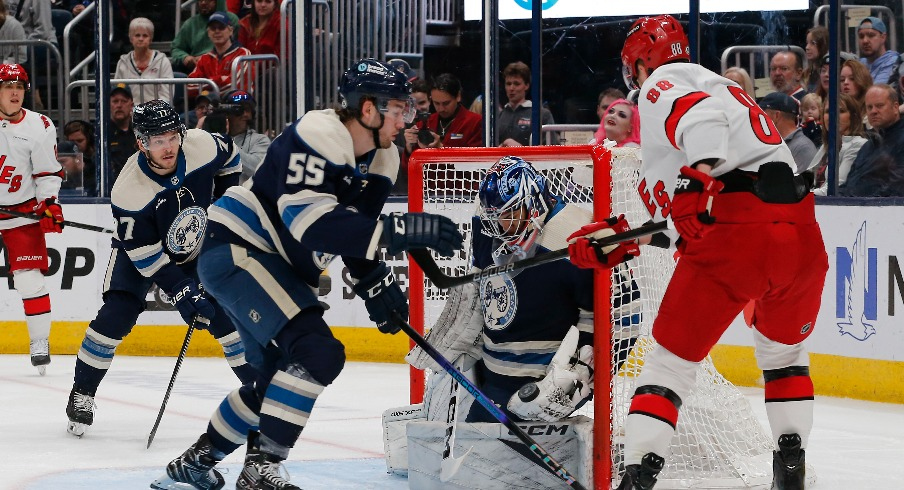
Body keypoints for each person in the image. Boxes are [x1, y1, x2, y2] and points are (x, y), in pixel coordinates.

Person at [150, 58, 463, 490]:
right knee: (318, 352)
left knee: (275, 383)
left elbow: (354, 232)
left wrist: (377, 286)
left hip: (269, 263)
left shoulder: (384, 158)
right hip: (238, 248)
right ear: (367, 109)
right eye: (397, 107)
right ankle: (262, 469)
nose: (407, 117)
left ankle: (197, 461)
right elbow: (310, 224)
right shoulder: (318, 134)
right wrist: (403, 230)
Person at [568, 15, 828, 489]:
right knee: (785, 355)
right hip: (800, 236)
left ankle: (638, 478)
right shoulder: (728, 92)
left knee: (668, 365)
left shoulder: (666, 81)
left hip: (736, 240)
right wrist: (624, 239)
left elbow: (702, 136)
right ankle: (791, 466)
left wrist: (695, 179)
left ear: (640, 63)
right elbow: (690, 220)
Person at [65, 99, 257, 438]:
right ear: (141, 143)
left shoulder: (200, 144)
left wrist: (225, 203)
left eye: (171, 136)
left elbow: (230, 157)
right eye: (157, 140)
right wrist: (182, 290)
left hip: (197, 243)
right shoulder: (128, 189)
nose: (168, 147)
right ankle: (83, 391)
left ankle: (261, 393)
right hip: (141, 252)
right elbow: (147, 257)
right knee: (117, 315)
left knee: (224, 314)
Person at [0, 63, 63, 376]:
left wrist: (49, 204)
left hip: (20, 212)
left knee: (29, 279)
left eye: (20, 86)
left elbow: (47, 172)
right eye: (8, 86)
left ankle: (39, 341)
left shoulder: (39, 125)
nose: (15, 92)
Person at [839, 84, 904, 197]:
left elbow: (897, 187)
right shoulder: (868, 146)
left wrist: (860, 203)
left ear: (895, 107)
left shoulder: (901, 140)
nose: (873, 111)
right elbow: (850, 184)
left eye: (879, 106)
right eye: (869, 107)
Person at [403, 73, 482, 154]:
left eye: (446, 103)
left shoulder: (475, 122)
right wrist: (409, 147)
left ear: (458, 96)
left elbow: (475, 160)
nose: (441, 109)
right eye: (436, 103)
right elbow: (408, 164)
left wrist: (441, 148)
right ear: (431, 99)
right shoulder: (424, 123)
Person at [186, 11, 252, 99]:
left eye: (221, 27)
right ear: (208, 33)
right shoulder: (204, 58)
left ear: (231, 31)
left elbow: (236, 86)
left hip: (238, 106)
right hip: (209, 107)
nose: (217, 31)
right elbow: (189, 87)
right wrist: (218, 80)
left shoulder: (243, 54)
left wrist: (208, 88)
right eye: (213, 28)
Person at [811, 93, 867, 195]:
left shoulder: (858, 145)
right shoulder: (826, 146)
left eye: (841, 111)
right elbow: (808, 177)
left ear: (853, 117)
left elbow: (836, 187)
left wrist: (802, 195)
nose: (833, 115)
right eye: (828, 111)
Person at [114, 17, 174, 105]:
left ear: (150, 39)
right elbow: (118, 92)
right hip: (129, 114)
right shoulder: (122, 63)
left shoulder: (163, 62)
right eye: (137, 35)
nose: (141, 39)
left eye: (145, 35)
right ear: (131, 38)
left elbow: (167, 94)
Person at [497, 61, 558, 146]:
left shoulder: (542, 115)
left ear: (526, 85)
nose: (511, 88)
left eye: (516, 84)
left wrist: (521, 150)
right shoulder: (498, 116)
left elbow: (551, 149)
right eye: (508, 84)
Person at [170, 0, 239, 73]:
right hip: (196, 68)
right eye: (200, 0)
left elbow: (235, 46)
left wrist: (207, 57)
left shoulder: (231, 19)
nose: (203, 3)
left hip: (225, 66)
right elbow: (176, 48)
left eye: (208, 0)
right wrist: (185, 57)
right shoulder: (190, 23)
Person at [219, 90, 271, 183]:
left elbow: (257, 168)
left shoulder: (260, 140)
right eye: (238, 110)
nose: (244, 114)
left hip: (242, 195)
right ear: (226, 113)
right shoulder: (213, 138)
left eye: (247, 110)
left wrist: (227, 143)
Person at [759, 92, 818, 173]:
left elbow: (804, 184)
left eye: (763, 114)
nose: (759, 119)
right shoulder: (772, 144)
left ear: (776, 116)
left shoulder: (803, 148)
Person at [108, 83, 138, 183]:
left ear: (131, 105)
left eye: (124, 101)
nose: (119, 105)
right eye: (115, 101)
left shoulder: (141, 132)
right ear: (109, 105)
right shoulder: (102, 134)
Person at [857, 17, 898, 85]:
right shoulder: (861, 63)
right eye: (861, 36)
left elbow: (875, 92)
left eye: (871, 35)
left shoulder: (893, 62)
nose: (865, 41)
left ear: (883, 37)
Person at [63, 119, 96, 195]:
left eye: (80, 141)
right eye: (72, 142)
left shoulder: (98, 160)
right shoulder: (63, 158)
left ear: (89, 140)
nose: (76, 145)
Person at [802, 26, 828, 93]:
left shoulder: (829, 73)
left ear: (823, 45)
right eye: (807, 43)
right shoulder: (806, 73)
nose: (807, 47)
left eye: (813, 43)